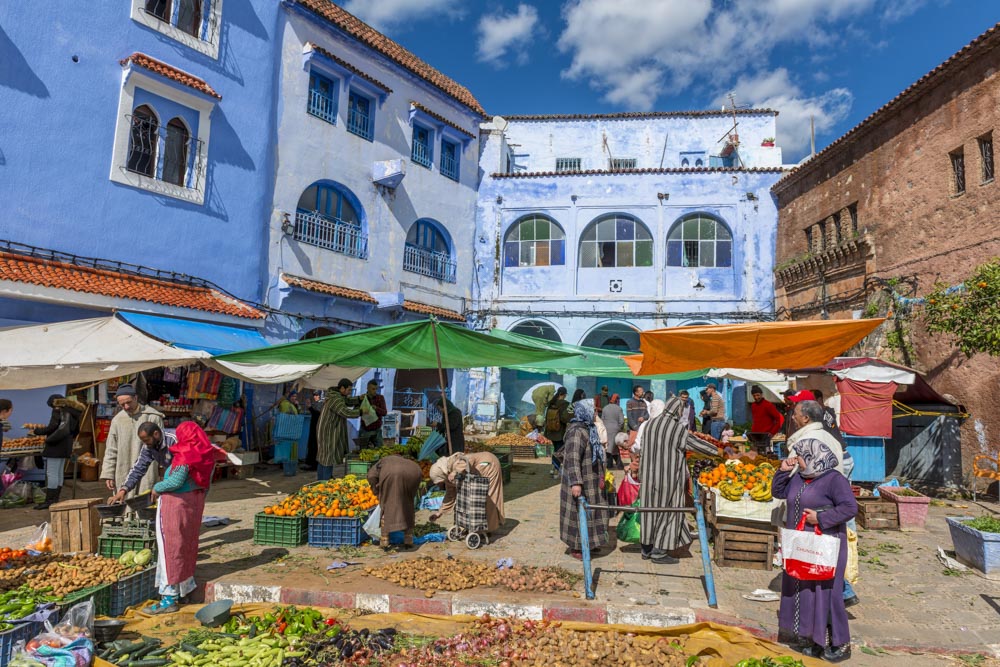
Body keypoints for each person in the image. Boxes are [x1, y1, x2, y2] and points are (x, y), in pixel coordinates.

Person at [772, 400, 856, 662]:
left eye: (801, 454)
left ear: (814, 453)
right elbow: (779, 492)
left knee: (828, 595)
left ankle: (841, 644)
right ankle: (815, 640)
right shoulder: (801, 476)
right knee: (806, 593)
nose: (798, 457)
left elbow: (849, 508)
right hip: (803, 544)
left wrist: (821, 518)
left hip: (827, 543)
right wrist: (783, 471)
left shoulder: (834, 479)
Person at [146, 421, 227, 614]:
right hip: (193, 503)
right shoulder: (206, 453)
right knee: (186, 546)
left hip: (175, 506)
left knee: (170, 550)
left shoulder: (185, 453)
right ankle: (184, 590)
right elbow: (205, 483)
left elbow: (176, 480)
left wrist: (157, 488)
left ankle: (169, 599)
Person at [639, 396, 719, 563]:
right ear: (678, 411)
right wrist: (718, 451)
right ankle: (659, 552)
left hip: (647, 476)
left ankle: (646, 548)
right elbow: (695, 443)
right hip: (667, 478)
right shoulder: (675, 428)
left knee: (649, 510)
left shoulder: (649, 424)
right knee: (668, 512)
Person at [558, 399, 610, 559]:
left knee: (592, 512)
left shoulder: (589, 429)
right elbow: (572, 459)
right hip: (581, 481)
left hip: (592, 480)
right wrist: (576, 483)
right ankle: (577, 546)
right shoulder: (576, 432)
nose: (596, 413)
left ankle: (591, 542)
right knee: (578, 513)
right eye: (593, 410)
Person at [101, 385, 165, 498]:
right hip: (123, 466)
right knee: (124, 500)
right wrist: (108, 473)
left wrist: (162, 469)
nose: (126, 407)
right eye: (122, 404)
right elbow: (111, 449)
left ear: (136, 398)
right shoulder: (117, 420)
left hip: (148, 469)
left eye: (129, 402)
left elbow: (162, 446)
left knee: (145, 501)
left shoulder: (152, 417)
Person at [428, 452, 505, 533]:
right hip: (477, 472)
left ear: (441, 474)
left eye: (441, 481)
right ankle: (475, 526)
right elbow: (450, 495)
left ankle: (486, 529)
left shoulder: (454, 463)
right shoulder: (448, 476)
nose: (441, 484)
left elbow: (469, 459)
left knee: (487, 497)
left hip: (488, 464)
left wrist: (455, 472)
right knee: (471, 500)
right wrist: (439, 513)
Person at [32, 395, 84, 509]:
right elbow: (76, 430)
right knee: (59, 472)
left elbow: (52, 427)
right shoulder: (73, 411)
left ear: (54, 403)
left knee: (52, 473)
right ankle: (55, 499)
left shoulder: (58, 410)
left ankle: (49, 501)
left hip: (55, 444)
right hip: (66, 445)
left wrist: (37, 431)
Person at [108, 422, 177, 505]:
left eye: (147, 440)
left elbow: (181, 469)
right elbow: (138, 468)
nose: (145, 443)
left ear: (156, 434)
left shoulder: (174, 440)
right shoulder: (149, 446)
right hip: (174, 480)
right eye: (143, 441)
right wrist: (124, 490)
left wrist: (160, 487)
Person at [367, 454, 422, 550]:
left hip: (392, 475)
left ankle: (384, 540)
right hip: (414, 472)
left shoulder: (382, 461)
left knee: (387, 506)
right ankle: (408, 539)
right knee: (408, 505)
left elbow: (371, 476)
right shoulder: (406, 461)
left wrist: (376, 490)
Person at [316, 379, 361, 480]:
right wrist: (361, 412)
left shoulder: (338, 396)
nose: (349, 392)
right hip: (328, 432)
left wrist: (359, 399)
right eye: (348, 390)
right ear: (342, 388)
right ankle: (324, 482)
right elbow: (345, 412)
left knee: (324, 456)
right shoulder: (335, 399)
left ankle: (322, 480)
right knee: (327, 457)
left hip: (328, 431)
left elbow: (347, 401)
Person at [544, 387, 571, 476]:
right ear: (563, 395)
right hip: (560, 431)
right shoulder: (565, 404)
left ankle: (554, 467)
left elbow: (546, 417)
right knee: (559, 450)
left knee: (556, 449)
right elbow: (564, 418)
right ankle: (556, 468)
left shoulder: (551, 403)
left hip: (551, 431)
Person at [357, 380, 388, 449]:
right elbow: (356, 412)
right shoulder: (362, 398)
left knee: (380, 451)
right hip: (365, 430)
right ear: (367, 388)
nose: (375, 391)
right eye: (373, 389)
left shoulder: (380, 398)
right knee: (363, 452)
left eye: (376, 389)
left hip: (376, 430)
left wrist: (376, 408)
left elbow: (385, 412)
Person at [600, 394, 625, 469]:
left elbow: (602, 419)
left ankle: (612, 464)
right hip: (615, 430)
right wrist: (619, 429)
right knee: (613, 448)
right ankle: (612, 465)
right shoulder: (619, 408)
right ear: (617, 400)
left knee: (609, 447)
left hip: (606, 429)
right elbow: (622, 421)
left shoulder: (605, 408)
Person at [303, 390, 323, 471]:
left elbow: (317, 414)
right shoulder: (317, 403)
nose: (315, 397)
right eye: (314, 395)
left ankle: (314, 465)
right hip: (314, 427)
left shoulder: (321, 403)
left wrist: (310, 407)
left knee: (315, 446)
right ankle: (311, 463)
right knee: (312, 445)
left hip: (317, 428)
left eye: (317, 395)